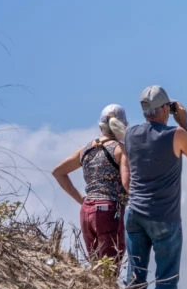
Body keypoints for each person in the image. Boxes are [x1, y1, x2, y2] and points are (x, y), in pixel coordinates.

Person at [120, 85, 187, 289]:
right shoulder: (176, 134)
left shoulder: (130, 134)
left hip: (135, 212)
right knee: (166, 278)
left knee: (135, 275)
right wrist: (185, 123)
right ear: (166, 108)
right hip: (164, 217)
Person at [51, 104, 130, 263]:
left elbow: (58, 172)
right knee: (109, 266)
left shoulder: (86, 149)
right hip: (109, 210)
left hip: (87, 211)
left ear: (100, 126)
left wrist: (82, 199)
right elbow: (127, 183)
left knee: (96, 264)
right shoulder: (121, 150)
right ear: (123, 126)